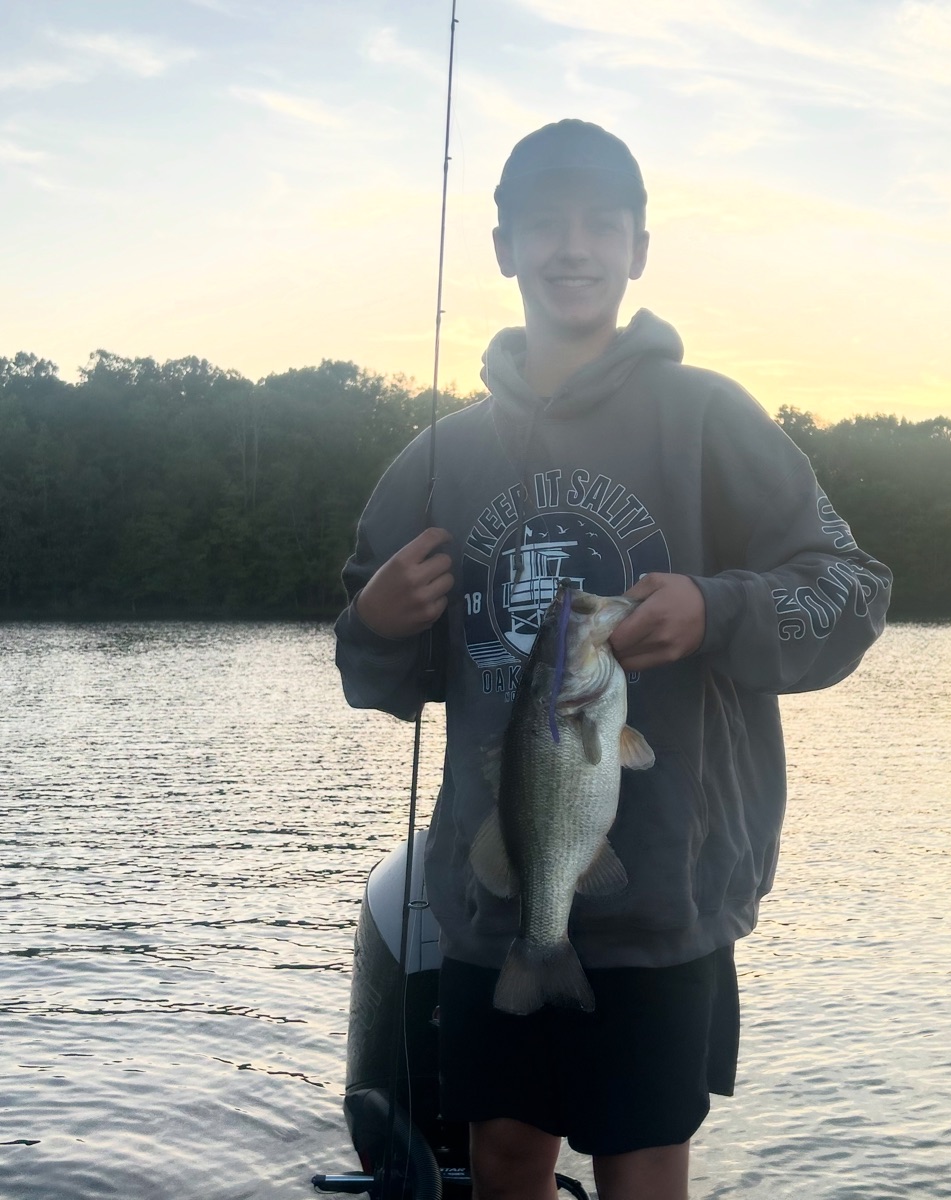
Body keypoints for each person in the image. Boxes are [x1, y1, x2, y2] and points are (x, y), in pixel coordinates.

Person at [335, 119, 892, 1200]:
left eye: (602, 223)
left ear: (640, 248)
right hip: (495, 902)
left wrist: (717, 609)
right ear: (503, 247)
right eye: (546, 223)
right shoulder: (436, 458)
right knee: (501, 1156)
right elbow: (370, 667)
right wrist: (380, 619)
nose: (573, 246)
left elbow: (851, 587)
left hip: (666, 902)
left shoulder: (708, 418)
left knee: (643, 1168)